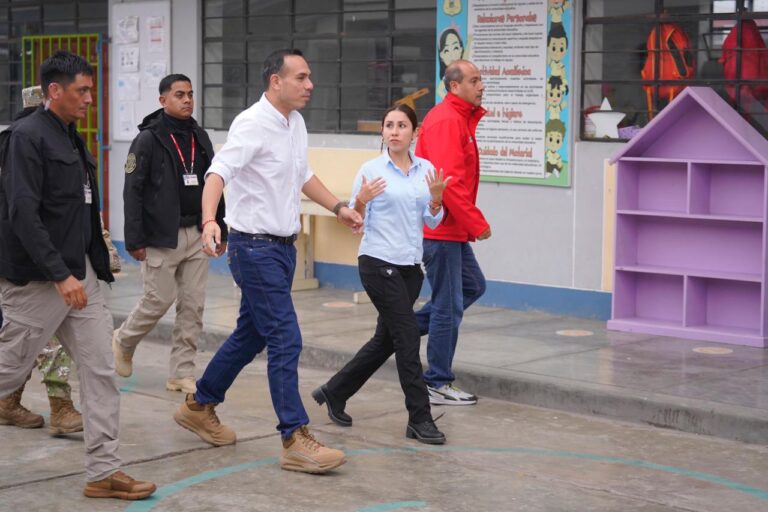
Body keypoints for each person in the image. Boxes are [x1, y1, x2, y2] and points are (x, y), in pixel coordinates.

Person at [173, 49, 361, 474]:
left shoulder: (294, 123)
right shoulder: (252, 124)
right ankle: (294, 436)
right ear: (276, 81)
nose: (309, 84)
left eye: (309, 77)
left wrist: (339, 208)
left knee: (251, 335)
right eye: (301, 76)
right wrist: (208, 221)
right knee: (285, 337)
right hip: (253, 247)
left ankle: (199, 404)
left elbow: (303, 174)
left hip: (281, 248)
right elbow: (217, 174)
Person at [0, 51, 155, 500]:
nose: (90, 98)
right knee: (8, 371)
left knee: (101, 371)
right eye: (81, 90)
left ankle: (104, 471)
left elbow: (81, 207)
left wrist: (92, 264)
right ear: (54, 91)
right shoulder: (27, 138)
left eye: (91, 89)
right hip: (38, 280)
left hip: (78, 275)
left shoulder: (70, 136)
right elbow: (22, 214)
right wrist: (58, 274)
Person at [312, 104, 449, 444]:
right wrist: (359, 201)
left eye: (402, 125)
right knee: (406, 338)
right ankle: (420, 418)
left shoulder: (426, 170)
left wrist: (435, 201)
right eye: (389, 125)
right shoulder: (371, 170)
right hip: (377, 262)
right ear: (383, 132)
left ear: (413, 133)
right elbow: (355, 222)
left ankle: (335, 391)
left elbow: (433, 221)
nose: (394, 131)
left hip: (409, 268)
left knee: (385, 340)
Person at [113, 74, 226, 394]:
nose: (188, 99)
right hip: (161, 236)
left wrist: (219, 224)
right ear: (163, 100)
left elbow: (214, 182)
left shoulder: (199, 136)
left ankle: (181, 371)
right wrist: (133, 239)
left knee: (193, 305)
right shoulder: (148, 139)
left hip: (197, 233)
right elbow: (132, 191)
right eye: (179, 94)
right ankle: (123, 339)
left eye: (190, 93)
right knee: (157, 300)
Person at [0, 85, 83, 436]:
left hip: (48, 258)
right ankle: (59, 405)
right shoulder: (20, 143)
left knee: (37, 342)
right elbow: (21, 213)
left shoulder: (61, 142)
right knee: (39, 341)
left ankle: (10, 400)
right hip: (26, 264)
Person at [415, 60, 491, 406]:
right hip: (442, 229)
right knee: (448, 306)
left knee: (472, 287)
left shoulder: (459, 118)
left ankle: (397, 333)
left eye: (480, 80)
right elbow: (448, 184)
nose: (481, 86)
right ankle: (437, 382)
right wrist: (477, 222)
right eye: (474, 81)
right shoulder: (447, 120)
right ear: (454, 86)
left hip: (452, 228)